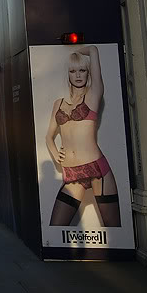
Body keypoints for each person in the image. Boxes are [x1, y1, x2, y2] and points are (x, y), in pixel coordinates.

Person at [45, 46, 120, 227]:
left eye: (82, 70)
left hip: (96, 168)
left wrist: (76, 50)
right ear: (68, 74)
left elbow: (93, 50)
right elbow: (49, 136)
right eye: (72, 71)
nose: (78, 75)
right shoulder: (59, 104)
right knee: (56, 227)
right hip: (72, 172)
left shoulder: (93, 95)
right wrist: (55, 154)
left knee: (113, 229)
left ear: (88, 73)